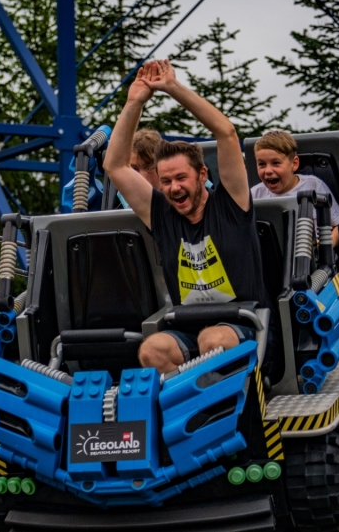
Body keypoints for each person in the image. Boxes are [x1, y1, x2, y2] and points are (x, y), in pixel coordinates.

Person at [103, 59, 271, 374]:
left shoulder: (230, 204)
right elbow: (115, 166)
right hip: (189, 330)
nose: (174, 187)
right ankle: (186, 401)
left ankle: (229, 399)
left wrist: (172, 88)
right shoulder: (161, 214)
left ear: (202, 174)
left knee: (213, 340)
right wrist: (134, 102)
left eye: (181, 178)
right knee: (152, 349)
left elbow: (226, 132)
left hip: (246, 325)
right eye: (166, 181)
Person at [251, 131, 339, 246]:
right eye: (262, 164)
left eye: (276, 163)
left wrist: (324, 246)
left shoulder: (314, 186)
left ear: (294, 164)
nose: (268, 170)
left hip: (313, 253)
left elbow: (338, 225)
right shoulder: (255, 194)